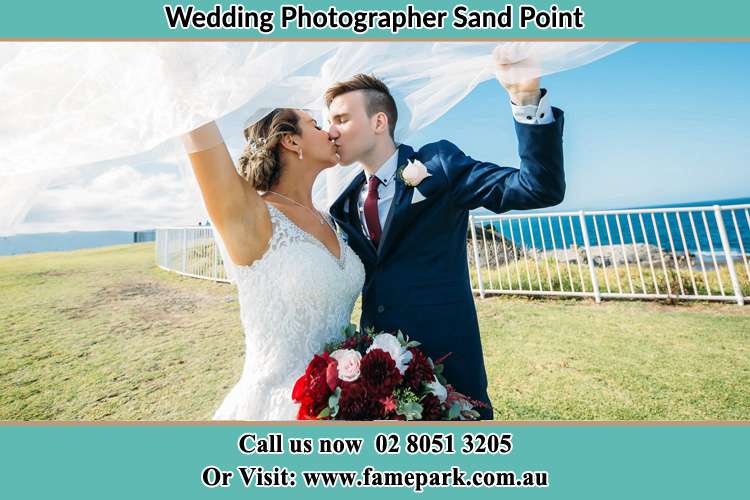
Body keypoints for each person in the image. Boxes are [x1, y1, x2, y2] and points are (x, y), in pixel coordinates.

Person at [327, 72, 565, 420]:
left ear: (379, 121)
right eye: (328, 121)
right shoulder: (343, 204)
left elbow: (537, 187)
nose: (331, 130)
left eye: (341, 119)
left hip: (450, 367)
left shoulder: (438, 164)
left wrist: (525, 98)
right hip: (376, 376)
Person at [182, 109, 365, 420]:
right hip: (277, 409)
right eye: (316, 125)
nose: (331, 132)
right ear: (292, 141)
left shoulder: (333, 220)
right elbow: (194, 124)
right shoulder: (251, 216)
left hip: (342, 404)